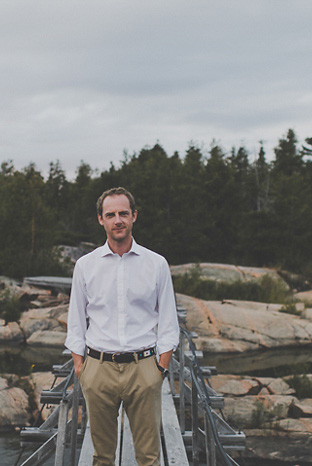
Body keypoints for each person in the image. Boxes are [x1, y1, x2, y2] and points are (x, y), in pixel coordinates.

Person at [65, 187, 180, 466]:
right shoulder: (85, 265)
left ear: (134, 216)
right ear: (100, 219)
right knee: (102, 456)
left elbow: (168, 320)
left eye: (123, 214)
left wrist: (160, 368)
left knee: (149, 457)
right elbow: (76, 320)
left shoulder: (156, 264)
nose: (118, 220)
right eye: (111, 214)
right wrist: (81, 368)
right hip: (98, 368)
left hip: (144, 369)